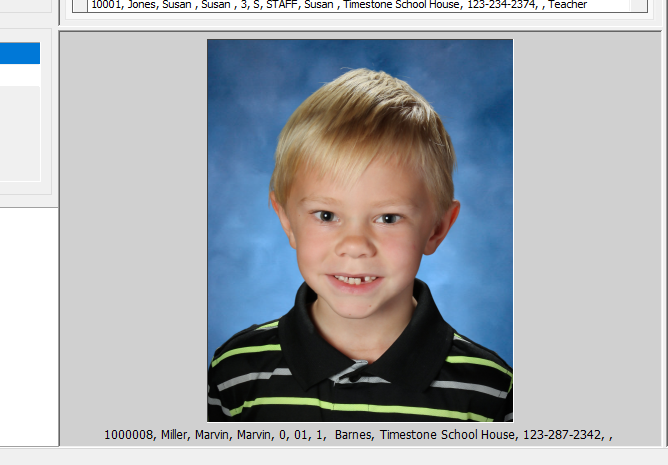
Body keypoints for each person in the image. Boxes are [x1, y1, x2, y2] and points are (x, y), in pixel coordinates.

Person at [208, 69, 513, 422]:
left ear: (436, 229)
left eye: (388, 218)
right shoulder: (237, 372)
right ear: (287, 221)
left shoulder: (489, 390)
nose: (354, 246)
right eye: (326, 215)